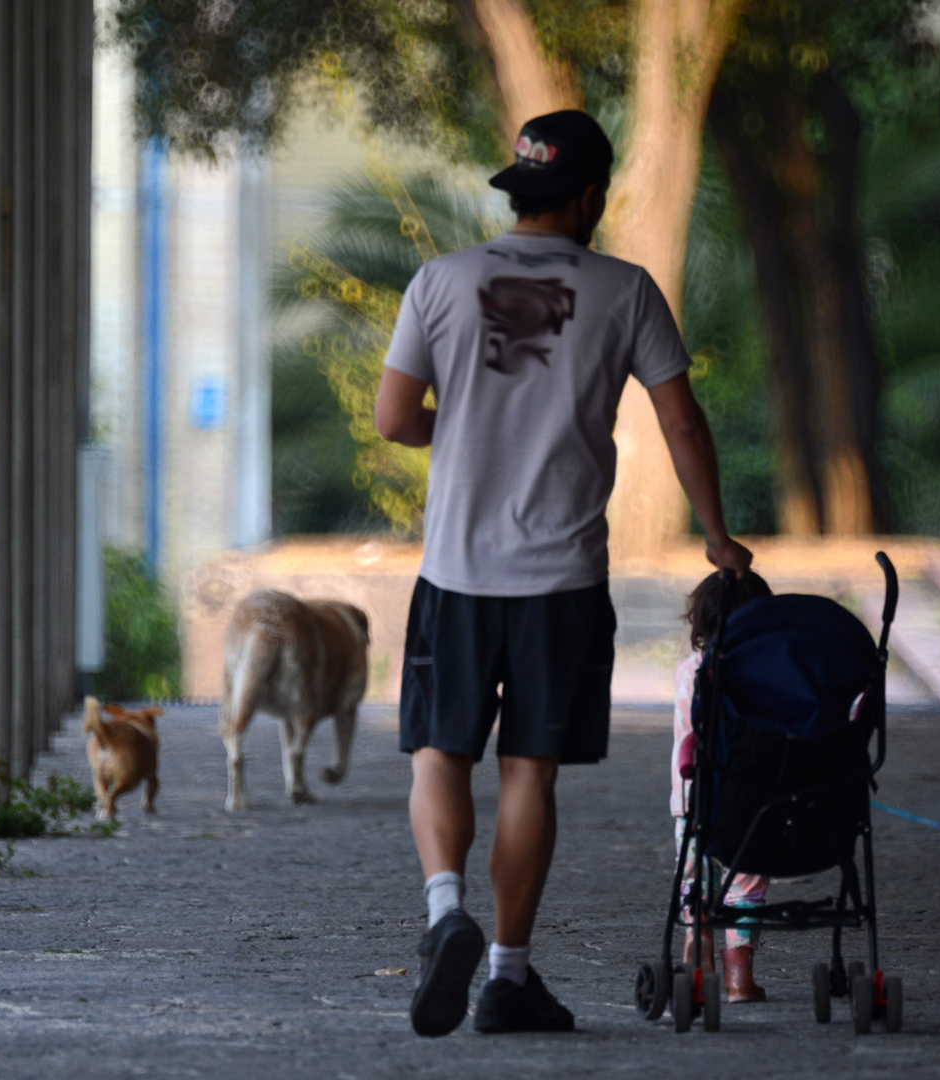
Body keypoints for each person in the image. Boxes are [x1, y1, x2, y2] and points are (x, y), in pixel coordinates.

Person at [373, 109, 753, 1037]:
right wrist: (717, 536)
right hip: (563, 579)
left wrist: (454, 431)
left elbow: (393, 419)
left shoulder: (441, 280)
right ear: (589, 197)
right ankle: (506, 976)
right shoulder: (625, 290)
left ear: (519, 188)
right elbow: (681, 423)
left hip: (458, 570)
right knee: (529, 771)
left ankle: (442, 913)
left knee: (438, 750)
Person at [671, 570, 773, 1003]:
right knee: (745, 888)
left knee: (695, 880)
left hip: (693, 802)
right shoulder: (772, 678)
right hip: (755, 805)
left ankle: (698, 938)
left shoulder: (689, 671)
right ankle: (739, 978)